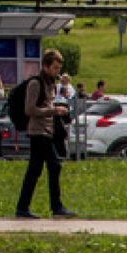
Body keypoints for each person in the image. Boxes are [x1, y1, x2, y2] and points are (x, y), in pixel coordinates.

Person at [16, 49, 78, 220]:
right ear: (45, 66)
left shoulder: (50, 84)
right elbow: (30, 109)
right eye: (54, 68)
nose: (57, 72)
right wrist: (53, 110)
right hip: (38, 131)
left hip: (47, 131)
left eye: (58, 68)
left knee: (35, 170)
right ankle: (56, 206)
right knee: (54, 164)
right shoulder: (36, 84)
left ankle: (23, 207)